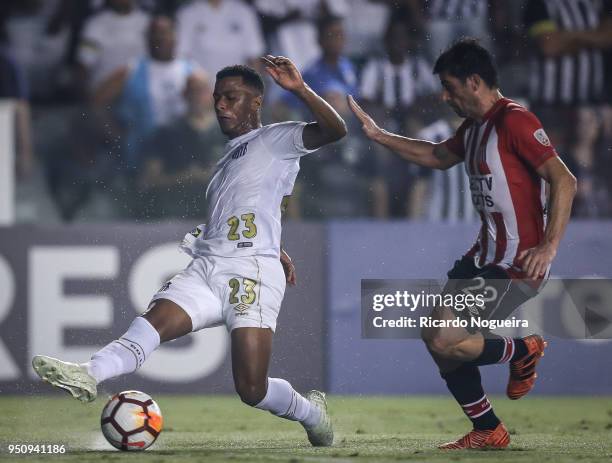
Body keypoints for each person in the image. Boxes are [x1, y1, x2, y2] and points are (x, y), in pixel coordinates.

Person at [32, 56, 347, 447]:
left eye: (231, 97)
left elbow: (336, 129)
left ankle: (311, 412)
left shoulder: (277, 139)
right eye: (217, 98)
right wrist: (277, 244)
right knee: (151, 324)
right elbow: (253, 208)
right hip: (207, 266)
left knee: (251, 388)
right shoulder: (227, 159)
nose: (220, 105)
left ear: (256, 103)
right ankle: (89, 373)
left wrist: (299, 89)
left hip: (251, 274)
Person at [348, 38, 577, 449]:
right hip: (480, 259)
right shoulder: (473, 129)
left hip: (515, 264)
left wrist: (549, 246)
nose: (444, 96)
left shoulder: (515, 122)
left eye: (450, 87)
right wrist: (379, 135)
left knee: (441, 336)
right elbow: (436, 156)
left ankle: (522, 349)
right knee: (438, 342)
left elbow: (564, 179)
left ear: (474, 82)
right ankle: (489, 428)